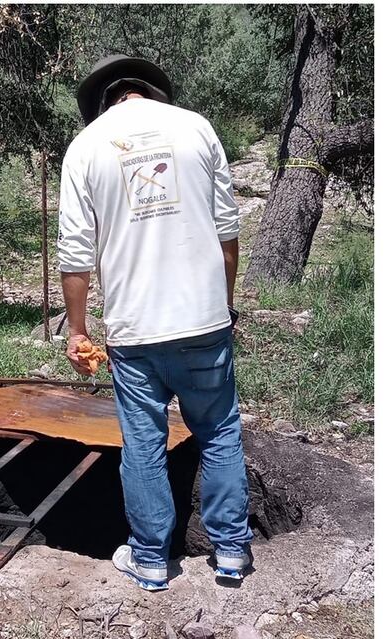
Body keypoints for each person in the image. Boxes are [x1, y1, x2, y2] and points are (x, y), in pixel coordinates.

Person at [56, 55, 252, 591]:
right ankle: (232, 553)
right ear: (152, 92)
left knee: (142, 444)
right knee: (218, 433)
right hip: (203, 322)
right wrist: (223, 303)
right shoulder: (197, 127)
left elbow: (76, 255)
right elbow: (226, 232)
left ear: (101, 102)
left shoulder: (86, 146)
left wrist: (77, 331)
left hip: (134, 331)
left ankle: (149, 560)